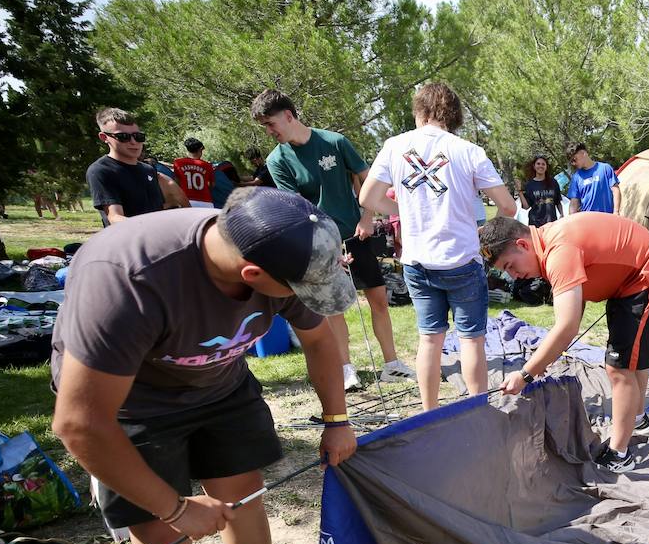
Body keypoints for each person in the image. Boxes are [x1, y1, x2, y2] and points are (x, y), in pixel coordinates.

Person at [50, 187, 359, 544]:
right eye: (299, 290)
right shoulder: (127, 278)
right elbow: (79, 424)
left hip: (221, 388)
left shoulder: (279, 248)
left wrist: (337, 421)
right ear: (252, 275)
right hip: (129, 409)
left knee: (245, 496)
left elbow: (318, 341)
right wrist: (173, 508)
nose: (305, 299)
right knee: (159, 541)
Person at [359, 82, 515, 410]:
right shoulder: (469, 150)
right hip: (462, 258)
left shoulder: (394, 146)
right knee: (472, 340)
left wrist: (402, 211)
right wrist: (487, 233)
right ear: (453, 115)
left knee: (429, 340)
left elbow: (367, 198)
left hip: (417, 260)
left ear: (420, 111)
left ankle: (429, 413)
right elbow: (508, 206)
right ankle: (477, 411)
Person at [478, 212, 649, 473]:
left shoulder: (558, 251)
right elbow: (573, 304)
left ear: (522, 245)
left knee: (619, 367)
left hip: (646, 275)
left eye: (510, 266)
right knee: (630, 356)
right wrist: (550, 353)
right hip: (627, 280)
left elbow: (567, 326)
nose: (514, 276)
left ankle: (619, 454)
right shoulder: (546, 243)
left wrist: (526, 374)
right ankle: (637, 420)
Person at [251, 89, 414, 390]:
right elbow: (296, 209)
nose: (269, 131)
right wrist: (323, 246)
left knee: (378, 300)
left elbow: (369, 181)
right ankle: (346, 369)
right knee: (334, 308)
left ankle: (392, 365)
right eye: (264, 126)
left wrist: (367, 218)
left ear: (288, 116)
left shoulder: (334, 141)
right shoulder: (278, 160)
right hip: (319, 242)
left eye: (271, 123)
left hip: (357, 234)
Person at [86, 108, 187, 226]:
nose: (134, 142)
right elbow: (114, 217)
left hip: (157, 240)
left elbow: (157, 209)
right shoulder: (101, 170)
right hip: (127, 241)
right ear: (104, 137)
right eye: (123, 136)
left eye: (138, 136)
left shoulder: (148, 170)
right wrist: (152, 227)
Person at [566, 143, 620, 215]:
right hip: (589, 220)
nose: (573, 163)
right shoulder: (576, 177)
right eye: (571, 162)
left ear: (583, 153)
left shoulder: (605, 168)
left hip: (608, 217)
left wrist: (616, 212)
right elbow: (574, 203)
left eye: (574, 159)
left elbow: (615, 191)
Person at [520, 155, 563, 227]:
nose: (541, 166)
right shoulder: (529, 185)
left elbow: (558, 202)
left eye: (543, 164)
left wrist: (562, 214)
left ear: (546, 167)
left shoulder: (553, 182)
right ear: (534, 166)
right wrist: (520, 192)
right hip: (535, 223)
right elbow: (526, 207)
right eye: (538, 164)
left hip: (551, 223)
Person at [174, 137, 216, 208]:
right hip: (206, 202)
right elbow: (212, 184)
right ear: (200, 150)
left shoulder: (178, 163)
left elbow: (176, 182)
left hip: (187, 201)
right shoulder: (207, 165)